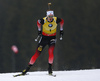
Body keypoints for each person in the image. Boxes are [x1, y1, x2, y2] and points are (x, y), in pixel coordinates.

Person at [21, 9, 64, 75]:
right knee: (37, 53)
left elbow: (62, 21)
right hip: (44, 38)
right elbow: (38, 22)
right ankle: (27, 68)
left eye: (51, 16)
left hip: (52, 38)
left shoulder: (56, 19)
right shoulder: (43, 20)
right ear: (46, 16)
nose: (50, 18)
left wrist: (61, 30)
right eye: (49, 17)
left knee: (51, 52)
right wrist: (39, 30)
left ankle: (50, 68)